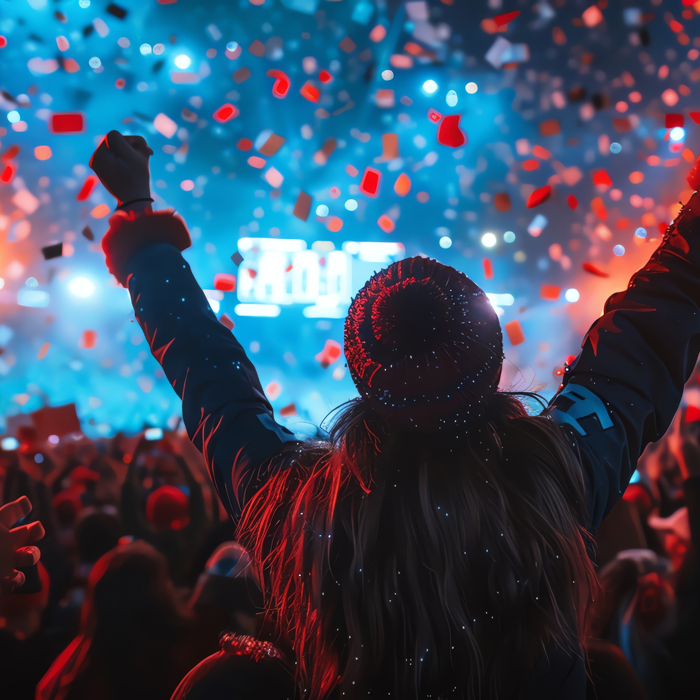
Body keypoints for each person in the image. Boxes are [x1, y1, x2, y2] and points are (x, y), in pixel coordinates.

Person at [87, 130, 700, 699]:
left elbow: (205, 367)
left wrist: (141, 223)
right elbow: (646, 334)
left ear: (362, 376)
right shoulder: (557, 477)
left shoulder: (294, 504)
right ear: (494, 367)